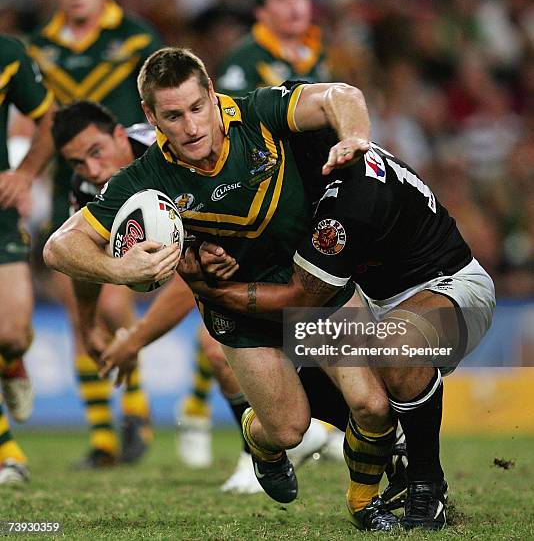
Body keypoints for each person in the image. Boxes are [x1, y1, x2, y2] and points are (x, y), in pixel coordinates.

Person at [43, 47, 405, 531]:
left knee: (373, 405)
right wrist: (122, 268)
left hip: (314, 282)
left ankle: (365, 506)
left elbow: (341, 95)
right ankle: (261, 443)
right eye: (173, 116)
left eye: (197, 108)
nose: (191, 127)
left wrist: (354, 138)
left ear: (211, 93)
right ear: (151, 117)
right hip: (238, 306)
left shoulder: (257, 111)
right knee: (288, 428)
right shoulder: (147, 178)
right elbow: (58, 247)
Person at [175, 142, 496, 531]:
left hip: (455, 289)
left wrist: (215, 291)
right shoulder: (310, 176)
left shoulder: (349, 195)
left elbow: (302, 294)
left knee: (395, 348)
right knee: (287, 411)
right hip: (365, 303)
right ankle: (266, 437)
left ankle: (426, 484)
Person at [176, 0, 340, 483]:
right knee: (227, 336)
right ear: (262, 12)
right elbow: (222, 137)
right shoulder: (246, 63)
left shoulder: (315, 55)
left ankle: (326, 428)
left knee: (311, 326)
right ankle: (256, 448)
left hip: (308, 205)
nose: (294, 6)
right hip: (252, 213)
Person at [28, 0, 163, 467]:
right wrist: (26, 173)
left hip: (137, 187)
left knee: (114, 305)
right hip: (76, 190)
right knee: (78, 304)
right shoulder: (41, 48)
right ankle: (105, 436)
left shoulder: (136, 38)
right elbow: (36, 121)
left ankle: (135, 415)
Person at [0, 34, 55, 483]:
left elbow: (49, 118)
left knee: (13, 334)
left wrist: (25, 174)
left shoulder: (8, 54)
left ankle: (12, 361)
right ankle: (7, 454)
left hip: (1, 217)